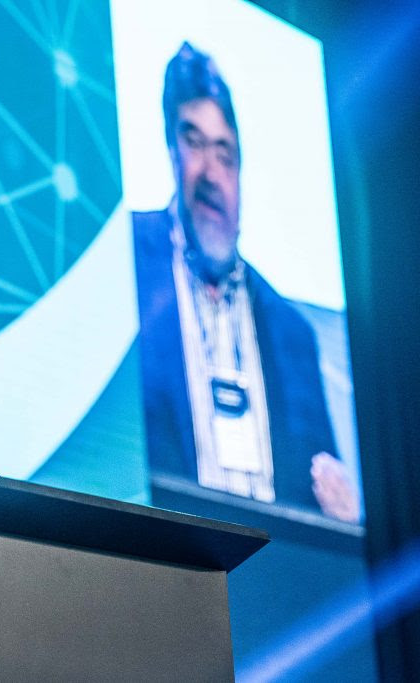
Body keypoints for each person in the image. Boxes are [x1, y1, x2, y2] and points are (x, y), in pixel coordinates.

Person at [132, 42, 360, 524]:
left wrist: (343, 516)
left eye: (225, 152)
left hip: (273, 586)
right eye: (194, 144)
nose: (212, 173)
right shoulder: (125, 264)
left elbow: (321, 503)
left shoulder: (292, 331)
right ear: (170, 149)